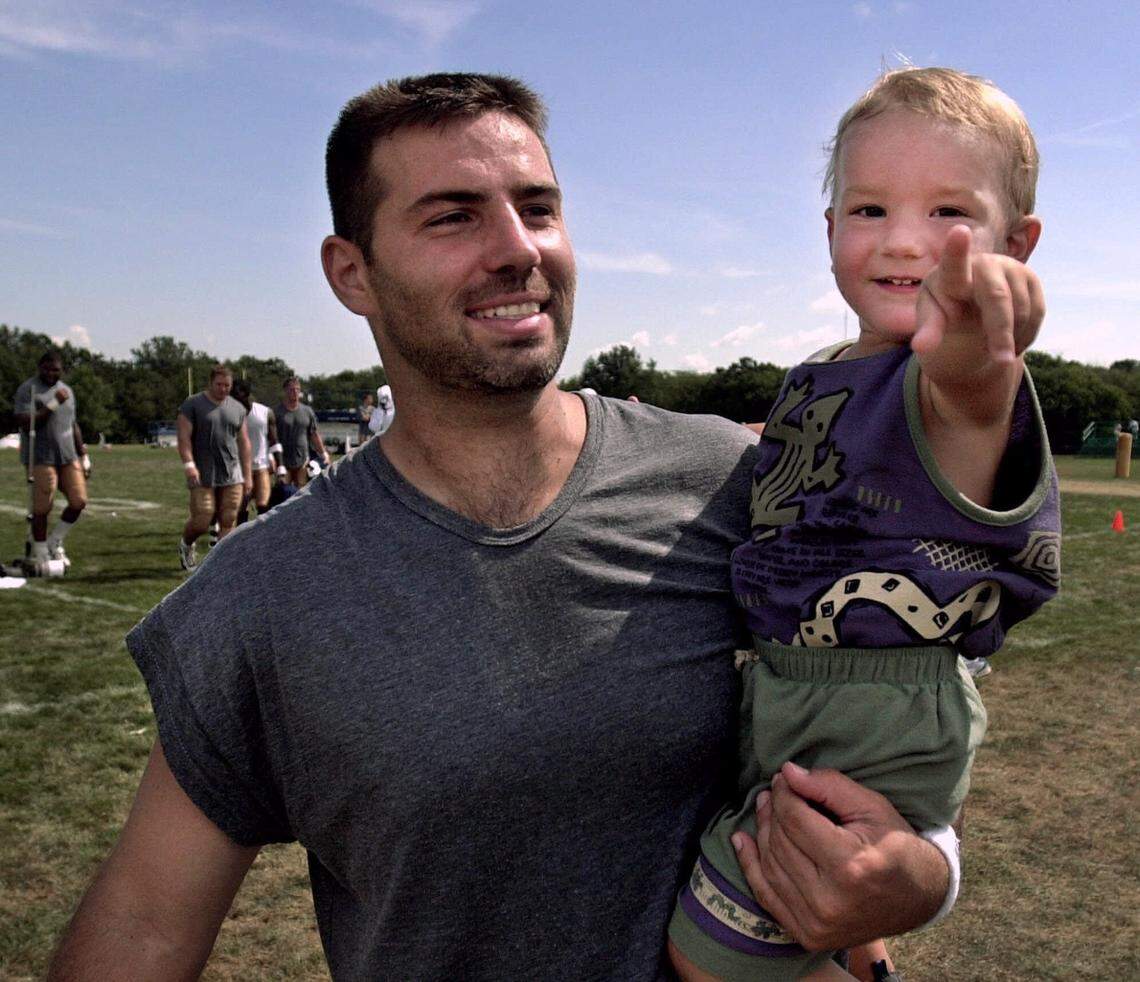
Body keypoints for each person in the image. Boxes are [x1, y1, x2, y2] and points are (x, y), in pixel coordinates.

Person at [48, 73, 1042, 981]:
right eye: (453, 217)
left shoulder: (722, 480)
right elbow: (141, 921)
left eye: (539, 209)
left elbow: (895, 684)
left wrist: (922, 874)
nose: (517, 248)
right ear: (352, 273)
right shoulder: (261, 593)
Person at [668, 67, 1061, 981]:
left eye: (950, 214)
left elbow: (964, 393)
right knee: (811, 910)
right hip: (797, 698)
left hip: (872, 712)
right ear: (831, 229)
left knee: (711, 953)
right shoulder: (828, 367)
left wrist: (975, 342)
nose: (906, 242)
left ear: (1016, 242)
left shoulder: (953, 378)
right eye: (870, 210)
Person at [13, 350, 91, 568]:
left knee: (79, 500)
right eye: (46, 369)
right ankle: (39, 551)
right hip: (40, 456)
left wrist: (84, 454)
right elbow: (25, 422)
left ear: (62, 370)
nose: (50, 373)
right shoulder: (28, 389)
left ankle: (54, 541)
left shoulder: (68, 391)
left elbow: (72, 424)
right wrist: (53, 404)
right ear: (39, 367)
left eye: (55, 370)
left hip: (68, 455)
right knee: (42, 506)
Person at [176, 365, 252, 570]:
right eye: (219, 384)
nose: (223, 389)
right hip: (202, 470)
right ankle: (186, 543)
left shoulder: (237, 408)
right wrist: (189, 465)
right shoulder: (193, 404)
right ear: (210, 383)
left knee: (228, 519)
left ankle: (222, 564)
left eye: (227, 385)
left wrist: (248, 475)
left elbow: (244, 443)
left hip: (231, 471)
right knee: (202, 518)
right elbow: (183, 438)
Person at [230, 378, 283, 523]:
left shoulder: (264, 413)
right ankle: (241, 541)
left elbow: (274, 442)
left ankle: (262, 542)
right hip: (240, 468)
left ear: (245, 395)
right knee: (241, 508)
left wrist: (281, 467)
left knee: (263, 506)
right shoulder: (230, 414)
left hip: (261, 467)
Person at [275, 376, 328, 486]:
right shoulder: (277, 412)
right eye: (291, 389)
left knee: (301, 491)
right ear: (285, 391)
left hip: (303, 460)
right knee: (284, 491)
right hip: (283, 460)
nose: (295, 392)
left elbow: (314, 434)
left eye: (297, 389)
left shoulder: (307, 411)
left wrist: (323, 453)